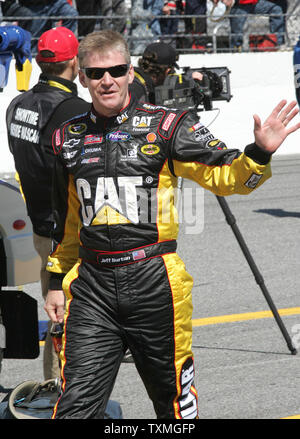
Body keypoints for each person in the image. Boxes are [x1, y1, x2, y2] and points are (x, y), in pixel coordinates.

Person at [44, 29, 300, 419]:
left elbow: (229, 177)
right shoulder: (68, 136)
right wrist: (54, 281)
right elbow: (70, 221)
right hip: (92, 285)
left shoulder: (167, 125)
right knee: (74, 408)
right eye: (96, 74)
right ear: (82, 77)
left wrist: (259, 153)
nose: (106, 80)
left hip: (154, 281)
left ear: (130, 72)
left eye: (115, 70)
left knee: (174, 406)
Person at [6, 26, 90, 380]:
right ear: (74, 62)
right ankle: (68, 394)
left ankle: (54, 385)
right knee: (75, 318)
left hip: (40, 225)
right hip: (70, 231)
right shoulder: (74, 110)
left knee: (56, 308)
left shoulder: (16, 103)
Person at [129, 41, 204, 104]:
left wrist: (189, 79)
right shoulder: (137, 90)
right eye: (171, 72)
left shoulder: (136, 80)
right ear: (167, 71)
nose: (171, 76)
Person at [1, 0, 78, 49]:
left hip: (54, 2)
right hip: (34, 6)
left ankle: (61, 47)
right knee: (34, 47)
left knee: (71, 14)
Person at [213, 0, 286, 50]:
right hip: (239, 4)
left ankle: (277, 43)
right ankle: (236, 49)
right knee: (236, 30)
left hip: (254, 2)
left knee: (276, 10)